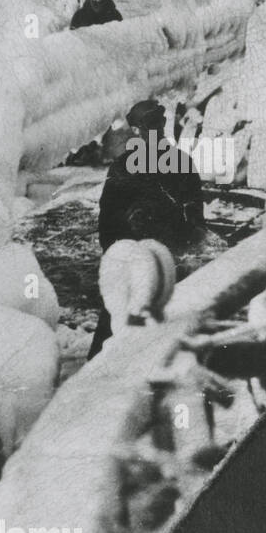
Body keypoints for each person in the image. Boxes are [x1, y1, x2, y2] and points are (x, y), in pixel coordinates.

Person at [88, 99, 205, 358]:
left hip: (151, 264)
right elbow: (107, 223)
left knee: (141, 334)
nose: (155, 129)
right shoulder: (177, 163)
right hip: (152, 264)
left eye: (156, 123)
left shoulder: (134, 165)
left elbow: (196, 220)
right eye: (151, 124)